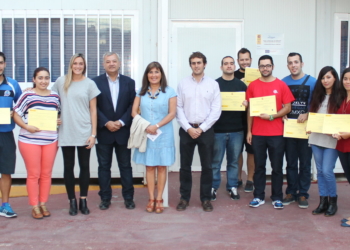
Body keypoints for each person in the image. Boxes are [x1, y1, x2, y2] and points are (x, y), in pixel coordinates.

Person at [51, 53, 100, 216]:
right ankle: (72, 200)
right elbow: (50, 101)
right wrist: (55, 117)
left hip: (84, 131)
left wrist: (93, 134)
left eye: (81, 64)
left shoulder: (90, 84)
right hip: (66, 131)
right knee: (68, 167)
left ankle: (83, 200)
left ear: (84, 66)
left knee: (85, 167)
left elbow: (93, 110)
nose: (78, 66)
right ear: (71, 65)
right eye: (75, 63)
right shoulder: (60, 82)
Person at [246, 55, 294, 209]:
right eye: (262, 66)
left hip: (277, 133)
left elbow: (288, 107)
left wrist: (272, 116)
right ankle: (258, 196)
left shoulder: (281, 85)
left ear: (272, 66)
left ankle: (277, 197)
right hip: (258, 133)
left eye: (267, 65)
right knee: (259, 166)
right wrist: (249, 131)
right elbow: (250, 111)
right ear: (258, 67)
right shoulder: (252, 86)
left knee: (277, 167)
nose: (265, 68)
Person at [176, 51, 221, 212]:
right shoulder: (182, 84)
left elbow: (216, 110)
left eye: (199, 62)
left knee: (207, 166)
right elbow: (178, 107)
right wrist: (188, 128)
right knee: (185, 167)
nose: (196, 65)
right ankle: (184, 198)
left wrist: (201, 128)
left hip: (206, 129)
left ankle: (206, 198)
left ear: (205, 64)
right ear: (190, 65)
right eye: (193, 63)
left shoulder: (213, 84)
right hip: (186, 129)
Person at [13, 67, 61, 219]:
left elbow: (57, 115)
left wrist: (58, 121)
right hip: (29, 140)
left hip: (50, 141)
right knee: (34, 174)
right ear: (34, 79)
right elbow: (16, 114)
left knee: (46, 174)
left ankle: (43, 203)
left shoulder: (55, 96)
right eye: (40, 78)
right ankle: (34, 205)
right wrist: (26, 126)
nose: (43, 81)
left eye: (46, 78)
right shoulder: (27, 95)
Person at [131, 62, 176, 213]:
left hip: (163, 134)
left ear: (161, 74)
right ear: (147, 75)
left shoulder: (170, 92)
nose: (154, 75)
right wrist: (146, 126)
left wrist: (155, 126)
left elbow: (172, 113)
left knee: (162, 167)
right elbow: (133, 112)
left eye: (156, 72)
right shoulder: (141, 92)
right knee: (149, 167)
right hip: (147, 134)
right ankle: (151, 198)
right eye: (151, 72)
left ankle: (159, 199)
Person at [93, 52, 136, 210]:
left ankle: (129, 198)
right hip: (104, 131)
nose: (111, 64)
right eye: (108, 61)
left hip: (123, 131)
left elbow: (133, 105)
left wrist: (121, 121)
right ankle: (105, 198)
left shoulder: (129, 82)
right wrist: (105, 122)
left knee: (125, 166)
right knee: (104, 167)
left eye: (114, 61)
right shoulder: (95, 82)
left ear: (119, 63)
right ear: (103, 64)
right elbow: (93, 107)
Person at [281, 53, 316, 209]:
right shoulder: (283, 82)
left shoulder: (314, 82)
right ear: (287, 65)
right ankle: (290, 192)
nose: (293, 65)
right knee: (290, 162)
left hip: (306, 130)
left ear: (302, 63)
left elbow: (319, 105)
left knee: (305, 163)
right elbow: (278, 104)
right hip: (289, 130)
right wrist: (281, 114)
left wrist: (308, 114)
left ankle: (303, 193)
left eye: (296, 62)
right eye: (290, 63)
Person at [211, 56, 246, 201]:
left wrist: (246, 104)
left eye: (232, 63)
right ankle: (213, 187)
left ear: (234, 66)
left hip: (237, 130)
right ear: (221, 67)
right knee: (215, 162)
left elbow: (248, 109)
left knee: (233, 161)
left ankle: (232, 186)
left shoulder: (242, 85)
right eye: (226, 64)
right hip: (217, 130)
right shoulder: (214, 84)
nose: (229, 66)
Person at [308, 66, 342, 217]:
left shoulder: (341, 97)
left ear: (335, 78)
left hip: (332, 140)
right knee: (320, 171)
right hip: (316, 137)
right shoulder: (318, 96)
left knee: (328, 171)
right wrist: (309, 125)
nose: (325, 80)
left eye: (328, 77)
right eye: (323, 78)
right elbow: (313, 115)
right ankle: (323, 202)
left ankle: (333, 201)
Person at [0, 52, 22, 218]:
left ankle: (5, 205)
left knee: (6, 171)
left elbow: (22, 106)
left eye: (1, 63)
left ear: (5, 64)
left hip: (6, 134)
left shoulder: (12, 85)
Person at [234, 48, 255, 192]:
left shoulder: (258, 75)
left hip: (254, 118)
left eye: (247, 59)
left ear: (251, 60)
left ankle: (250, 179)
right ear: (238, 61)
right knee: (237, 151)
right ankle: (238, 178)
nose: (245, 62)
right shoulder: (232, 75)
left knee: (251, 151)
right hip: (237, 118)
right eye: (242, 59)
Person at [332, 67, 350, 226]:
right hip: (342, 146)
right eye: (345, 79)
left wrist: (346, 134)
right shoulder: (342, 98)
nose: (348, 82)